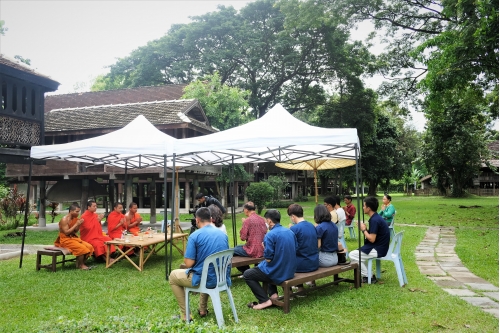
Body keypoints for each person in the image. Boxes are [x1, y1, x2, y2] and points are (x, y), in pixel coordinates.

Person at [169, 207, 230, 321]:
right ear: (211, 219)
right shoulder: (223, 235)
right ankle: (202, 309)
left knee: (173, 276)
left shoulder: (195, 236)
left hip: (205, 279)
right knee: (207, 269)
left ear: (197, 220)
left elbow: (188, 263)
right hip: (221, 278)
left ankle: (186, 315)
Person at [244, 209, 297, 310]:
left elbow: (268, 259)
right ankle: (273, 294)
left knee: (248, 274)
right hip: (290, 270)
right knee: (262, 267)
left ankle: (264, 301)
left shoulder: (270, 235)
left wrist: (265, 248)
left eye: (265, 221)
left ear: (269, 221)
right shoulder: (289, 232)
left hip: (278, 272)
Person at [350, 196, 390, 283]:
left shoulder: (375, 220)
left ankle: (369, 276)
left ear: (369, 208)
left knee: (352, 255)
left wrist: (363, 229)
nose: (363, 208)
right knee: (356, 255)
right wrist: (366, 229)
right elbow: (374, 235)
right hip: (380, 246)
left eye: (364, 206)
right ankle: (369, 275)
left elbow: (371, 239)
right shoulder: (376, 217)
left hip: (378, 248)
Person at [288, 203, 319, 294]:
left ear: (293, 216)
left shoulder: (295, 229)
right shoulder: (311, 225)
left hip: (302, 265)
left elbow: (292, 248)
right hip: (314, 262)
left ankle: (299, 288)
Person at [54, 203, 94, 270]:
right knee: (82, 248)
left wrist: (79, 224)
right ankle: (81, 265)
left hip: (73, 238)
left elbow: (75, 231)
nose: (78, 213)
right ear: (71, 211)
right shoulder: (64, 220)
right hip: (65, 240)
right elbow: (66, 232)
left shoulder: (75, 219)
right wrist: (76, 224)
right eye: (77, 211)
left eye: (79, 211)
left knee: (90, 247)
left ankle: (80, 263)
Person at [232, 201, 267, 273]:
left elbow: (243, 237)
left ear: (246, 210)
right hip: (262, 248)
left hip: (252, 249)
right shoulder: (262, 219)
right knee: (238, 247)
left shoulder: (247, 221)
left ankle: (246, 271)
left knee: (233, 250)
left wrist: (243, 224)